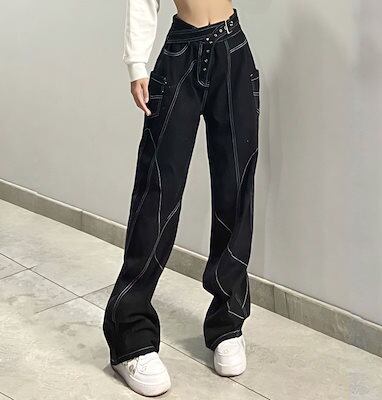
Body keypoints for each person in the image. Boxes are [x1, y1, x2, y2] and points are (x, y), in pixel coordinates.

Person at [103, 0, 260, 396]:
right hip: (180, 55)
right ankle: (130, 337)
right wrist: (137, 64)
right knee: (158, 191)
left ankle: (228, 323)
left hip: (233, 50)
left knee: (236, 189)